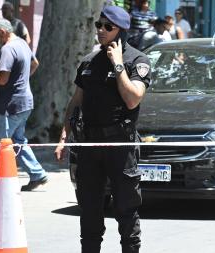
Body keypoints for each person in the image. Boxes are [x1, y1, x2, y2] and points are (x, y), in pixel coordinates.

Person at [54, 5, 150, 253]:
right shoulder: (89, 61)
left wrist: (118, 65)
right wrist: (65, 134)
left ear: (122, 31)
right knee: (89, 210)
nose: (101, 31)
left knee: (126, 210)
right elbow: (76, 101)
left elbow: (133, 99)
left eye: (108, 27)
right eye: (99, 25)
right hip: (89, 145)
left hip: (120, 144)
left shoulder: (136, 60)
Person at [0, 19, 47, 191]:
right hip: (24, 102)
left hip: (9, 105)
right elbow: (35, 63)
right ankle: (37, 173)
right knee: (18, 141)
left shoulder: (7, 49)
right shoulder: (22, 43)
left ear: (2, 32)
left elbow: (2, 79)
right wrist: (22, 80)